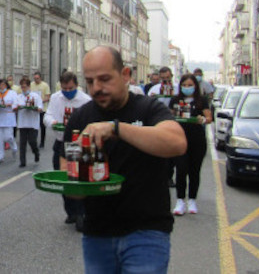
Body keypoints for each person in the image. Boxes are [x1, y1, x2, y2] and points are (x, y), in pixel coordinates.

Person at [65, 46, 186, 273]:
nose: (97, 88)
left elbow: (177, 142)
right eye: (90, 82)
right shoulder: (80, 118)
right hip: (97, 233)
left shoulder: (149, 108)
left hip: (146, 231)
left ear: (126, 75)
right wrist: (79, 180)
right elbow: (71, 184)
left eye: (104, 79)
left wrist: (116, 128)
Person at [43, 71, 91, 228]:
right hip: (61, 142)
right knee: (62, 177)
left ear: (76, 85)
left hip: (77, 144)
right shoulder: (56, 98)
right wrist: (53, 122)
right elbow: (47, 115)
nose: (67, 91)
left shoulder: (85, 100)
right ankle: (70, 211)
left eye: (70, 88)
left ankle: (81, 214)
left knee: (78, 179)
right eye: (64, 88)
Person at [168, 74, 212, 216]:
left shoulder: (201, 100)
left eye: (190, 85)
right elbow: (168, 116)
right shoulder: (175, 100)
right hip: (179, 139)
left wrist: (203, 120)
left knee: (194, 171)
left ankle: (192, 199)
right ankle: (180, 200)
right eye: (184, 85)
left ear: (195, 86)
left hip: (197, 140)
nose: (187, 88)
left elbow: (209, 117)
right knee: (181, 170)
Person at [0, 78, 19, 164]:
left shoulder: (12, 93)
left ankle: (14, 147)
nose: (1, 86)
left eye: (3, 85)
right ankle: (0, 156)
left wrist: (10, 105)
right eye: (0, 85)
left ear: (6, 85)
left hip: (8, 118)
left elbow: (16, 103)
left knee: (8, 137)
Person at [16, 77, 42, 168]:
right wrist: (18, 107)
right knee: (22, 143)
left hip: (33, 123)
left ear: (29, 86)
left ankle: (36, 152)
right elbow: (14, 108)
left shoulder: (35, 96)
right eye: (22, 87)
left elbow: (39, 108)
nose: (24, 89)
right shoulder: (18, 97)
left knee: (32, 141)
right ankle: (22, 161)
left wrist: (34, 108)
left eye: (25, 87)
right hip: (22, 123)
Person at [30, 71, 51, 148]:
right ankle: (33, 140)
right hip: (33, 109)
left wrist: (41, 101)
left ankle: (42, 142)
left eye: (37, 78)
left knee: (42, 126)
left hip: (42, 108)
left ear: (40, 78)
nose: (36, 80)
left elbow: (48, 97)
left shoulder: (45, 85)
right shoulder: (31, 85)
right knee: (33, 126)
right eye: (35, 78)